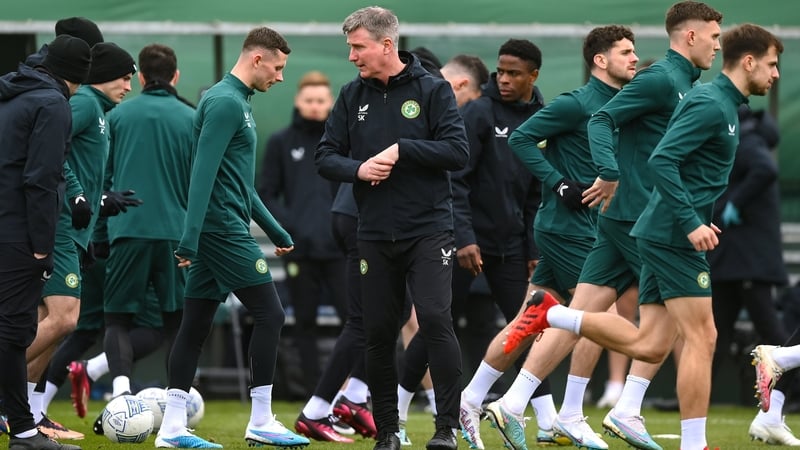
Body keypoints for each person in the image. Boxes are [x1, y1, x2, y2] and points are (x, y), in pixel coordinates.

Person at [512, 22, 782, 450]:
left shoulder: (715, 100)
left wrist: (696, 214)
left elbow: (686, 168)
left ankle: (554, 320)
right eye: (772, 64)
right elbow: (662, 160)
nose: (777, 74)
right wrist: (685, 218)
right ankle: (692, 443)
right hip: (666, 232)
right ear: (748, 61)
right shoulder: (702, 98)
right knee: (702, 336)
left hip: (662, 225)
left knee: (649, 341)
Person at [461, 25, 639, 450]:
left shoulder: (624, 103)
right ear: (600, 60)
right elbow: (522, 139)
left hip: (584, 226)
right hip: (568, 226)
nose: (635, 58)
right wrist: (559, 183)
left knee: (530, 318)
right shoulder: (577, 103)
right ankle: (566, 413)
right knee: (590, 317)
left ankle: (470, 399)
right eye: (626, 52)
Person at [315, 6, 469, 450]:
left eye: (358, 47)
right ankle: (387, 432)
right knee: (378, 331)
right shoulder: (350, 96)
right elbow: (326, 157)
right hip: (375, 233)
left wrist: (404, 149)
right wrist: (359, 169)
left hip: (429, 230)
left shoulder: (433, 89)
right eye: (350, 47)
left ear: (387, 45)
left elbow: (456, 152)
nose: (351, 56)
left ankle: (445, 430)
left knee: (436, 320)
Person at [157, 27, 309, 449]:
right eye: (277, 68)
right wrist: (189, 238)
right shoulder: (225, 101)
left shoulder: (236, 101)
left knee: (196, 324)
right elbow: (202, 172)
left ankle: (170, 427)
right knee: (271, 315)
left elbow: (239, 182)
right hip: (220, 229)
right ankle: (260, 419)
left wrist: (275, 228)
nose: (280, 77)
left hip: (220, 225)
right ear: (257, 59)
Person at [27, 41, 139, 441]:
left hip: (74, 231)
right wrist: (78, 195)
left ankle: (29, 414)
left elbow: (75, 164)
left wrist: (100, 200)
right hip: (58, 228)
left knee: (50, 324)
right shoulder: (85, 104)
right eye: (125, 77)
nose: (129, 86)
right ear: (102, 75)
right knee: (64, 319)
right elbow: (54, 151)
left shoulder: (102, 112)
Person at [93, 42, 195, 428]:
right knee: (178, 323)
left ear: (138, 77)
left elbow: (102, 177)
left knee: (117, 319)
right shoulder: (192, 117)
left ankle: (120, 394)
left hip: (127, 232)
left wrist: (100, 234)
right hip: (175, 236)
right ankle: (177, 404)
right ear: (176, 76)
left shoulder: (117, 116)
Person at [0, 33, 91, 450]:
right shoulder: (53, 104)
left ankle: (22, 428)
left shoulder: (13, 91)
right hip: (19, 232)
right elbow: (41, 178)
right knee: (16, 331)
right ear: (77, 77)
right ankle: (23, 433)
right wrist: (42, 244)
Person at [394, 52, 489, 447]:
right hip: (442, 235)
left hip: (463, 236)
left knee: (435, 321)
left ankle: (444, 417)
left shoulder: (464, 112)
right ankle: (409, 414)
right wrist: (464, 235)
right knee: (426, 320)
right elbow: (456, 181)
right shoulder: (446, 109)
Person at [712, 106, 800, 445]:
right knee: (719, 333)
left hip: (745, 259)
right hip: (741, 260)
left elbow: (764, 170)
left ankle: (775, 403)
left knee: (757, 333)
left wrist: (735, 201)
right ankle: (774, 402)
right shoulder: (746, 141)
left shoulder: (745, 141)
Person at [258, 70, 346, 398]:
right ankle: (313, 393)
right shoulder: (282, 142)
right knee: (303, 324)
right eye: (309, 100)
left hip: (340, 249)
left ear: (331, 103)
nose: (314, 106)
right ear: (298, 101)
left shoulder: (342, 140)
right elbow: (266, 192)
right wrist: (289, 226)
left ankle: (351, 393)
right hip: (300, 251)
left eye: (321, 100)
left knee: (353, 322)